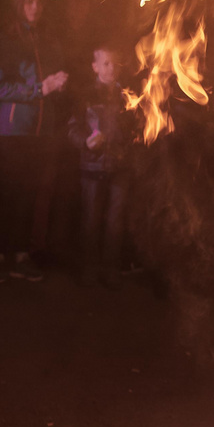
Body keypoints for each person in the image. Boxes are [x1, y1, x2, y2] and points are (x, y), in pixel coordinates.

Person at [0, 0, 68, 282]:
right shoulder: (7, 39)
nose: (35, 7)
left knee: (28, 195)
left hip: (41, 131)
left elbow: (50, 85)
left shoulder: (48, 39)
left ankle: (20, 255)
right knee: (7, 193)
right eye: (29, 1)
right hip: (13, 130)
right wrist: (39, 88)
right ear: (19, 4)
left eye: (39, 2)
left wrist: (58, 83)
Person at [68, 45, 134, 287]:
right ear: (95, 67)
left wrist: (123, 143)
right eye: (105, 63)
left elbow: (137, 130)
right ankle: (89, 269)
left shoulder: (128, 95)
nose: (111, 68)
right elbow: (73, 128)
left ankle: (111, 270)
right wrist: (85, 142)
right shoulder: (85, 96)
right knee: (91, 219)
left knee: (115, 221)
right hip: (92, 168)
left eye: (115, 63)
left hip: (120, 167)